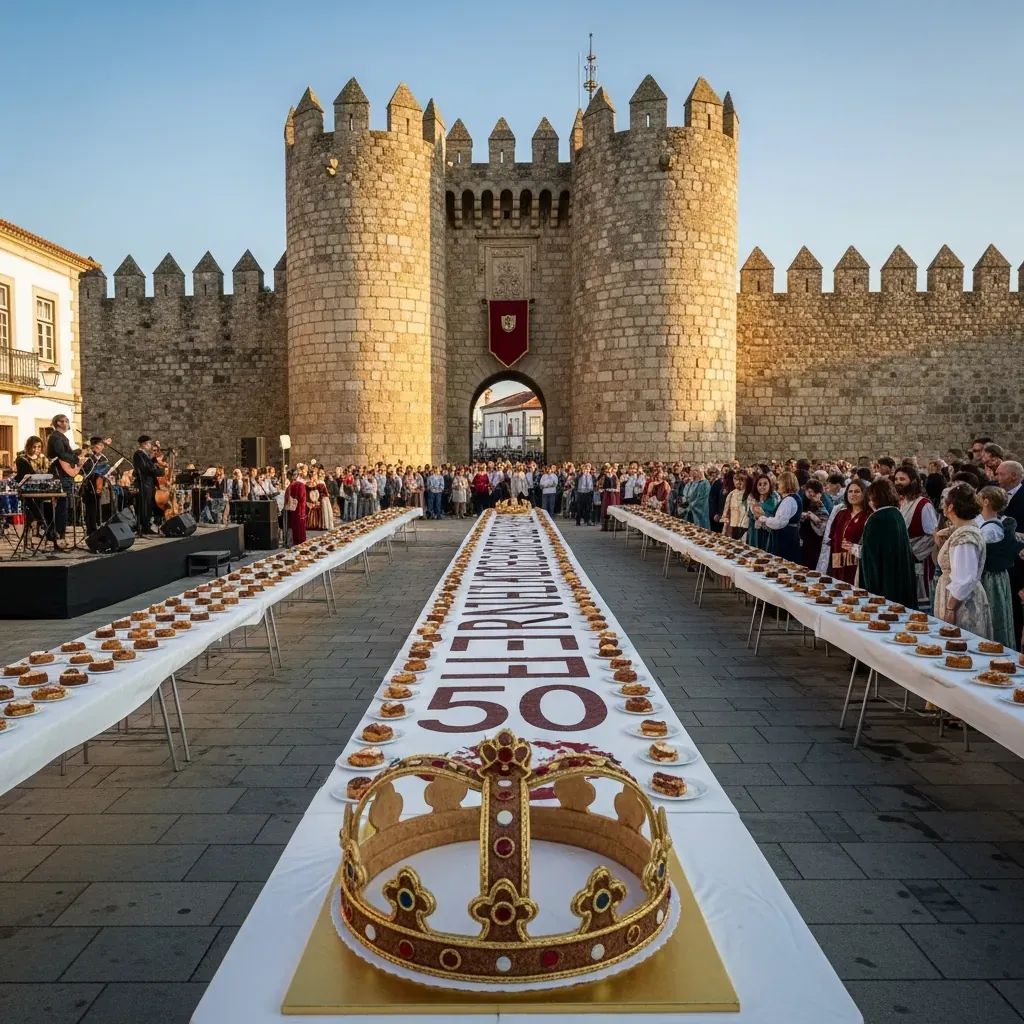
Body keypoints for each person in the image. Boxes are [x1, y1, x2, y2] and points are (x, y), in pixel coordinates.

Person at [932, 483, 992, 637]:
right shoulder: (962, 531)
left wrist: (951, 608)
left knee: (959, 643)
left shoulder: (965, 538)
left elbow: (964, 578)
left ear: (951, 507)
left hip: (961, 602)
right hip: (954, 595)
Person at [859, 477, 917, 606]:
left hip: (883, 579)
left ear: (875, 498)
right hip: (899, 574)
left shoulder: (876, 518)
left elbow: (871, 557)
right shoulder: (896, 514)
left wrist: (854, 549)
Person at [976, 486, 1019, 648]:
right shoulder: (982, 523)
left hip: (990, 577)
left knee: (994, 615)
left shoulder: (993, 529)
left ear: (985, 502)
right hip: (986, 575)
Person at [894, 465, 938, 606]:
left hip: (919, 562)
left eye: (902, 479)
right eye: (896, 479)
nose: (898, 482)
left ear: (912, 481)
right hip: (902, 561)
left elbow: (932, 537)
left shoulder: (924, 505)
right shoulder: (900, 503)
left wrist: (912, 552)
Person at [819, 478, 869, 584]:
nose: (853, 494)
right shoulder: (841, 513)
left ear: (864, 494)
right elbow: (832, 538)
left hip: (856, 561)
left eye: (857, 491)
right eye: (850, 491)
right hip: (837, 558)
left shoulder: (868, 516)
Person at [46, 414, 81, 547]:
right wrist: (76, 459)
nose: (66, 423)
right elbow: (61, 454)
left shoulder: (61, 437)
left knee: (64, 505)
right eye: (63, 421)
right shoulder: (55, 436)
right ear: (57, 423)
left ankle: (60, 533)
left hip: (63, 472)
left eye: (67, 421)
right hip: (59, 473)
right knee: (61, 505)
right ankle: (58, 534)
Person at [757, 471, 803, 561]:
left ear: (786, 484)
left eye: (780, 482)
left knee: (784, 561)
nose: (778, 484)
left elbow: (779, 522)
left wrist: (765, 519)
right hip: (790, 535)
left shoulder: (789, 500)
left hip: (786, 538)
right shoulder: (793, 498)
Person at [79, 436, 111, 536]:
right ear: (93, 446)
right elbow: (82, 471)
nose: (101, 448)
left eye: (102, 446)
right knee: (90, 509)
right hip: (89, 485)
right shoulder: (88, 457)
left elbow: (105, 469)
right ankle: (90, 529)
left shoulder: (103, 458)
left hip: (98, 485)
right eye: (99, 445)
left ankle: (95, 526)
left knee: (96, 507)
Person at [132, 435, 161, 538]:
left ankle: (147, 526)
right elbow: (145, 468)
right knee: (144, 505)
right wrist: (157, 471)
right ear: (144, 444)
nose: (150, 445)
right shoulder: (139, 454)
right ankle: (143, 527)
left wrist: (154, 460)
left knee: (148, 506)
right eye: (149, 443)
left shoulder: (145, 455)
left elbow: (150, 465)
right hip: (143, 484)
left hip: (149, 483)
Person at [747, 473, 778, 549]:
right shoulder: (752, 497)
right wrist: (755, 516)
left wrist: (763, 515)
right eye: (759, 484)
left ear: (769, 485)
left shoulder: (774, 498)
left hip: (769, 532)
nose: (762, 487)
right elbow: (749, 514)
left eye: (765, 484)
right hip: (755, 531)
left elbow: (776, 515)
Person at [722, 469, 749, 539]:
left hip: (746, 529)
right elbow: (726, 513)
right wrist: (725, 531)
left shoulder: (750, 495)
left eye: (741, 480)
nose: (738, 482)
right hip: (733, 528)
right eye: (736, 479)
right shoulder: (731, 494)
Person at [285, 467, 307, 544]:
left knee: (293, 525)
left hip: (292, 509)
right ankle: (300, 541)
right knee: (299, 526)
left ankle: (293, 541)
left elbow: (286, 499)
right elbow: (302, 497)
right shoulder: (301, 485)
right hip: (300, 509)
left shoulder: (289, 486)